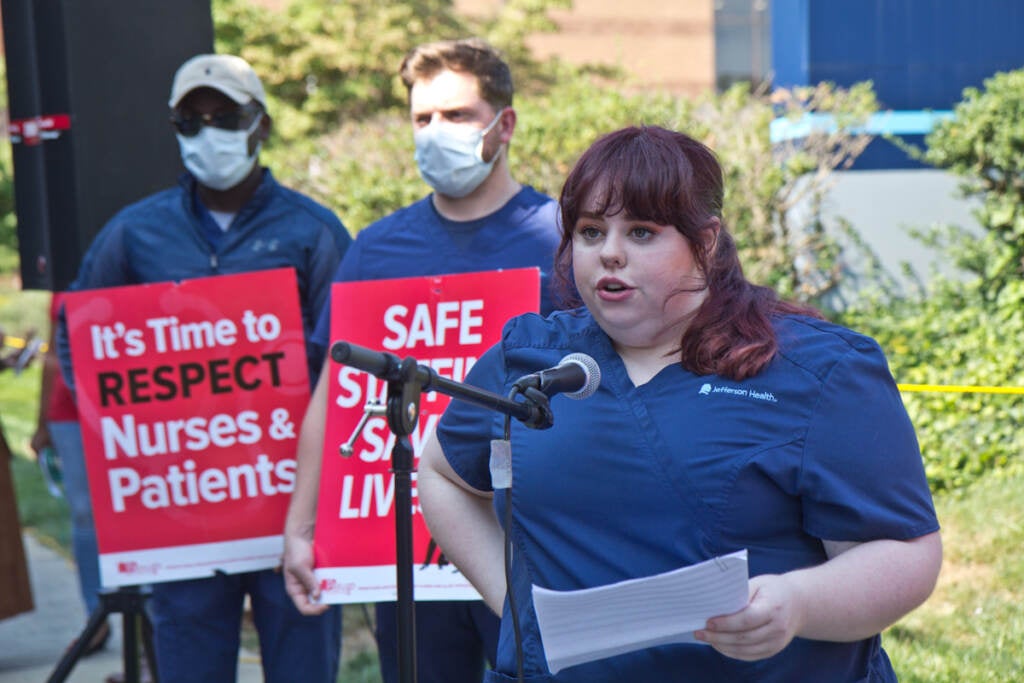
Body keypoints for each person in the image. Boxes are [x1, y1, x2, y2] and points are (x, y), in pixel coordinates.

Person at [417, 125, 943, 682]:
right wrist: (519, 612)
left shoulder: (819, 370)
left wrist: (797, 603)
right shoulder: (529, 357)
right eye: (591, 232)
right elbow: (442, 472)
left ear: (707, 242)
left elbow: (905, 554)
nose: (610, 254)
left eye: (642, 233)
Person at [59, 53, 351, 683]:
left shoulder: (313, 231)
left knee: (304, 668)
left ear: (261, 124)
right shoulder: (133, 235)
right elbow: (78, 339)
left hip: (290, 511)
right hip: (181, 514)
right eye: (191, 120)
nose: (209, 130)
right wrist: (124, 433)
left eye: (226, 115)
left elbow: (348, 359)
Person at [283, 38, 561, 683]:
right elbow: (336, 395)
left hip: (524, 543)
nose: (436, 133)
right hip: (401, 550)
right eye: (422, 119)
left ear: (505, 124)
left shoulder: (559, 241)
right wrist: (301, 527)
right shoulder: (375, 250)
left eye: (457, 115)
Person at [33, 293, 110, 654]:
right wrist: (41, 423)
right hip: (69, 413)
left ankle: (151, 632)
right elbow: (51, 357)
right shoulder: (62, 291)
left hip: (117, 401)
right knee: (84, 513)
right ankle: (95, 617)